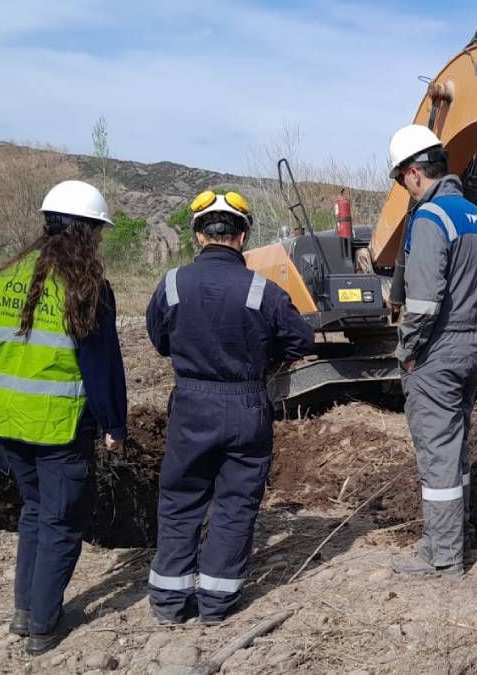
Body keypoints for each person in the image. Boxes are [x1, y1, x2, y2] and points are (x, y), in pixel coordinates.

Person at [145, 190, 316, 624]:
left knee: (181, 499)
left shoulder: (172, 284)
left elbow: (159, 338)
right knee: (236, 503)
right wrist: (266, 357)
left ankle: (169, 603)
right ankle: (217, 603)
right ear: (242, 237)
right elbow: (302, 340)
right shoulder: (263, 289)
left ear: (199, 236)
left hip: (191, 404)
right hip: (246, 404)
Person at [0, 179, 127, 655]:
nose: (99, 239)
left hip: (9, 422)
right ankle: (43, 625)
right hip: (60, 428)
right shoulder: (86, 288)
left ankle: (24, 613)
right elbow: (102, 367)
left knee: (35, 513)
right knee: (61, 523)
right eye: (97, 230)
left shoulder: (6, 277)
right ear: (84, 231)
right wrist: (114, 426)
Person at [387, 124, 477, 577]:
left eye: (403, 180)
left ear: (415, 173)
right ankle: (458, 537)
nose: (406, 189)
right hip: (474, 348)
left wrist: (407, 351)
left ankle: (444, 558)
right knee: (456, 450)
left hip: (438, 351)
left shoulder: (430, 218)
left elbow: (422, 301)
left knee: (437, 455)